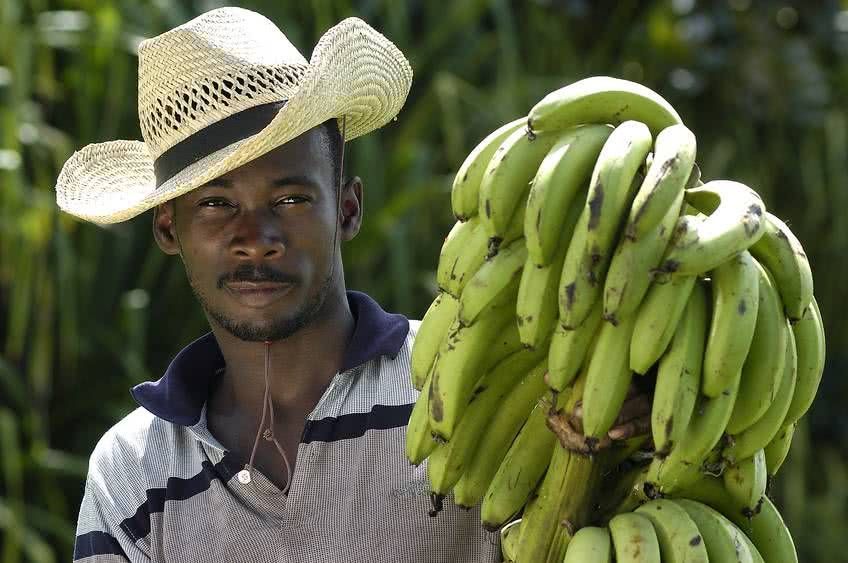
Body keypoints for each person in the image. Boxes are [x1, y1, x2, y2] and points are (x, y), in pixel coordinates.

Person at [57, 7, 650, 563]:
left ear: (346, 209)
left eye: (290, 198)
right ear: (169, 228)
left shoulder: (472, 386)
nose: (256, 237)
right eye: (215, 204)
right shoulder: (133, 472)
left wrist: (627, 432)